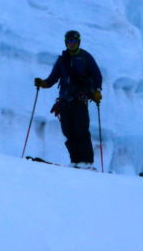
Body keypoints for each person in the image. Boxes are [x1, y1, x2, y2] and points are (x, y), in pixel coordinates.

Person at [34, 29, 102, 167]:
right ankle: (75, 161)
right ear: (66, 42)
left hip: (80, 100)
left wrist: (97, 91)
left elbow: (97, 76)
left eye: (74, 41)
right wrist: (43, 83)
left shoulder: (85, 57)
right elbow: (52, 79)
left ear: (78, 42)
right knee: (68, 132)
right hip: (64, 102)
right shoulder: (62, 60)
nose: (71, 43)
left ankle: (87, 162)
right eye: (69, 41)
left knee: (81, 130)